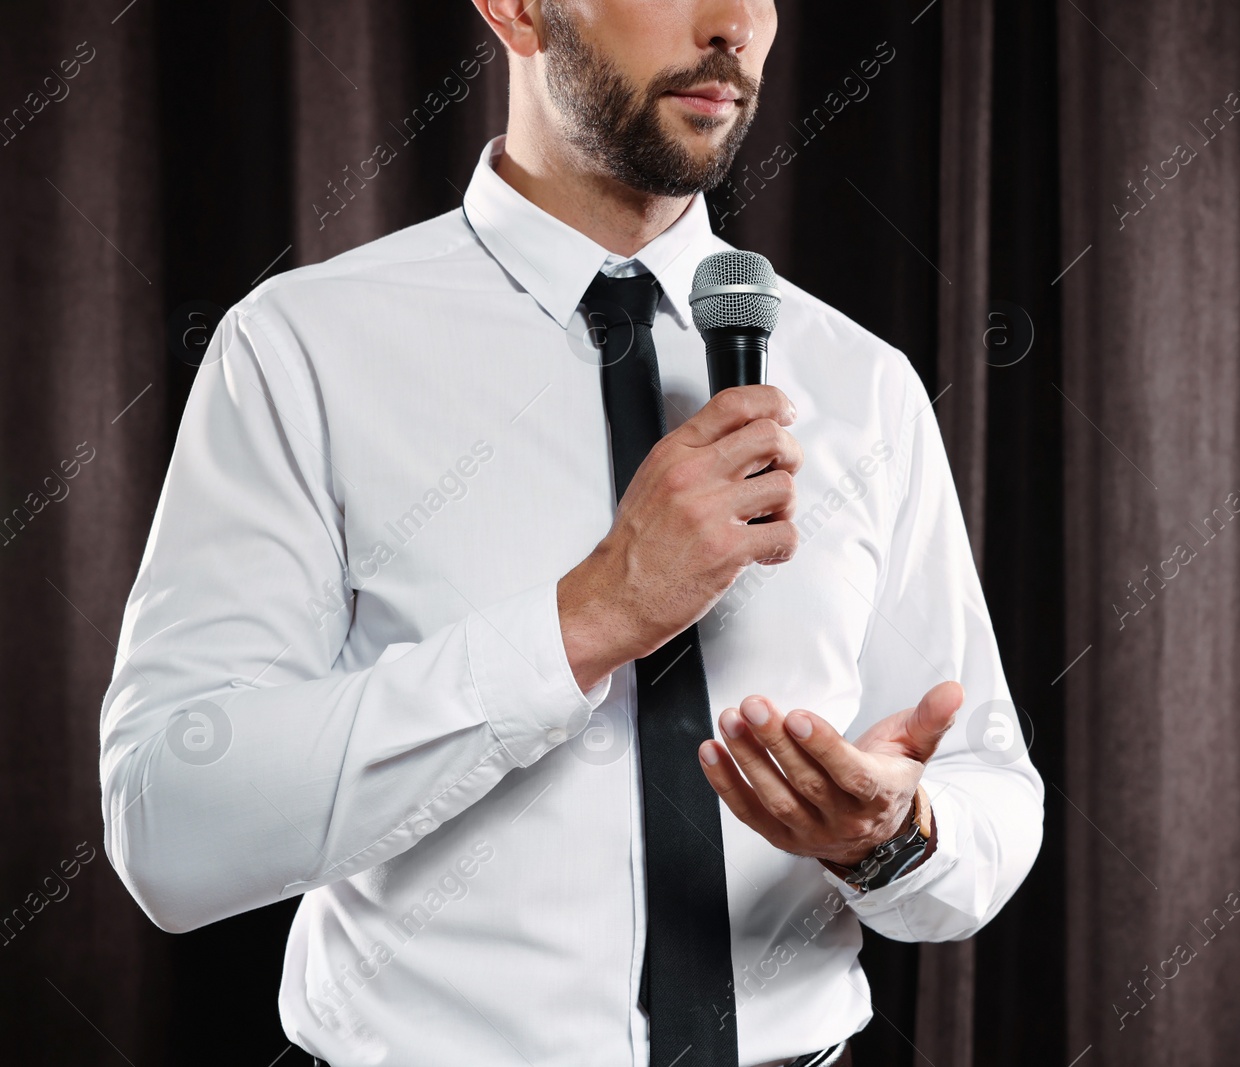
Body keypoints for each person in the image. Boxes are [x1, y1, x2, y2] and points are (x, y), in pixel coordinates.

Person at [98, 2, 1044, 1064]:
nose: (735, 24)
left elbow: (986, 795)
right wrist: (592, 615)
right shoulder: (300, 351)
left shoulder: (861, 380)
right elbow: (169, 830)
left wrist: (890, 840)